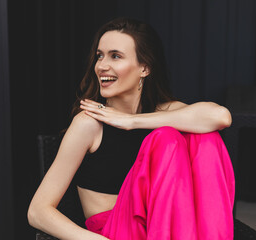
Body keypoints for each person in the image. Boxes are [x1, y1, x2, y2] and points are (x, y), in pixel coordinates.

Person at [28, 17, 235, 240]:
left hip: (169, 226)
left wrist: (131, 121)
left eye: (115, 56)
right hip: (117, 232)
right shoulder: (89, 124)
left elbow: (220, 116)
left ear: (144, 68)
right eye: (100, 55)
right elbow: (38, 211)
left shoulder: (162, 112)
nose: (101, 66)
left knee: (205, 137)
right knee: (167, 137)